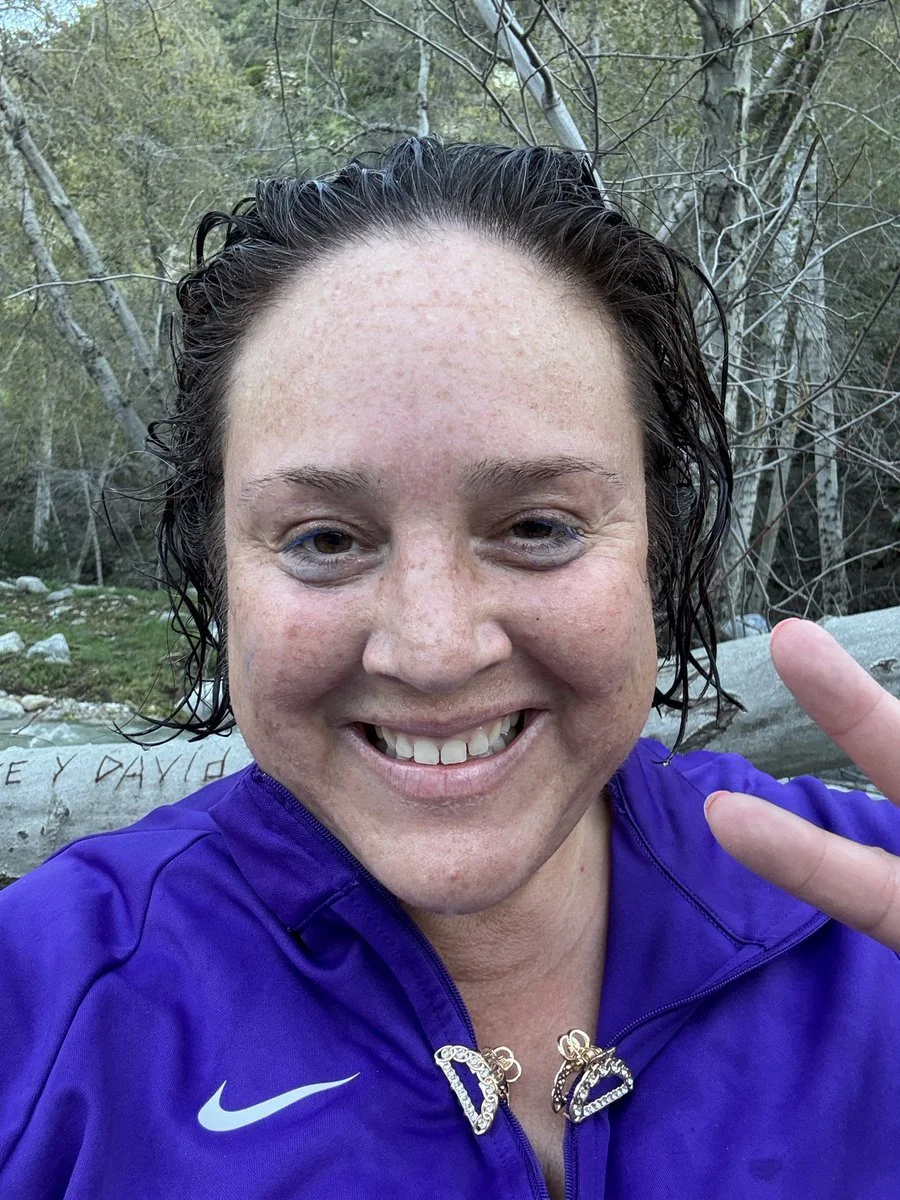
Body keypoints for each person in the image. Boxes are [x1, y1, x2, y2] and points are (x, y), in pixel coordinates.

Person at [0, 137, 898, 1200]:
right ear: (217, 565)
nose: (432, 652)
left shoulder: (867, 906)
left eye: (538, 525)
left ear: (658, 543)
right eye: (324, 539)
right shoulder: (43, 1005)